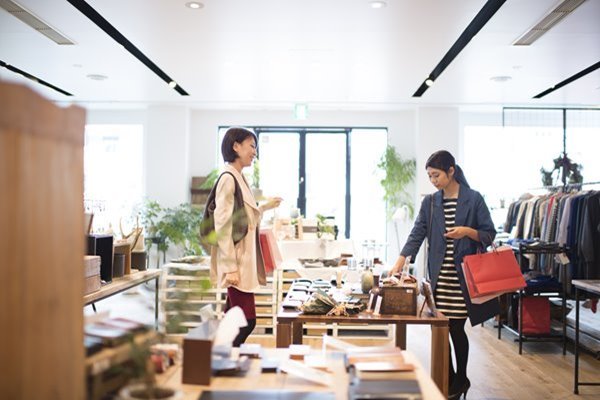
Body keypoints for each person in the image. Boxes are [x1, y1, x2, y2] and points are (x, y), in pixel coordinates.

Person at [390, 150, 498, 400]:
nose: (433, 180)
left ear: (451, 171)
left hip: (463, 278)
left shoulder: (474, 199)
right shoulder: (430, 202)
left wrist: (467, 231)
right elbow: (417, 233)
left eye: (436, 175)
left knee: (456, 329)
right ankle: (448, 378)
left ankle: (461, 378)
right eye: (429, 176)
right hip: (439, 279)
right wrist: (401, 258)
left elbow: (489, 234)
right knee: (439, 330)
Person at [210, 127, 282, 346]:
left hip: (242, 261)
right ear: (236, 146)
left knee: (232, 319)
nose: (254, 152)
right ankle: (220, 359)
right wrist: (230, 267)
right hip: (236, 264)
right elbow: (222, 225)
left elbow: (244, 218)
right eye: (251, 146)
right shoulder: (228, 178)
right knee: (246, 321)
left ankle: (217, 359)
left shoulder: (239, 178)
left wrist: (266, 207)